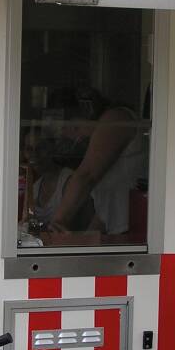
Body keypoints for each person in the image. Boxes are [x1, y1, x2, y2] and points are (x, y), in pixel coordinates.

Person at [48, 87, 146, 238]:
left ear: (87, 112)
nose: (73, 136)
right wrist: (83, 241)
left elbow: (86, 176)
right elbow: (106, 210)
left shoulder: (116, 118)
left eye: (74, 127)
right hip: (122, 230)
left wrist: (57, 222)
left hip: (138, 230)